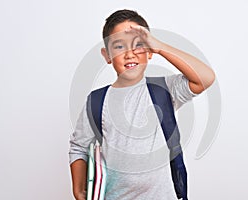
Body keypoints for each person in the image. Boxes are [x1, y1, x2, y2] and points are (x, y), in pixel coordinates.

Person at [69, 9, 215, 200]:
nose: (130, 54)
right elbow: (79, 147)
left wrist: (160, 46)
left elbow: (205, 78)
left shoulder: (164, 89)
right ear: (107, 55)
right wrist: (79, 190)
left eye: (138, 45)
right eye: (119, 46)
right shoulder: (97, 100)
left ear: (149, 51)